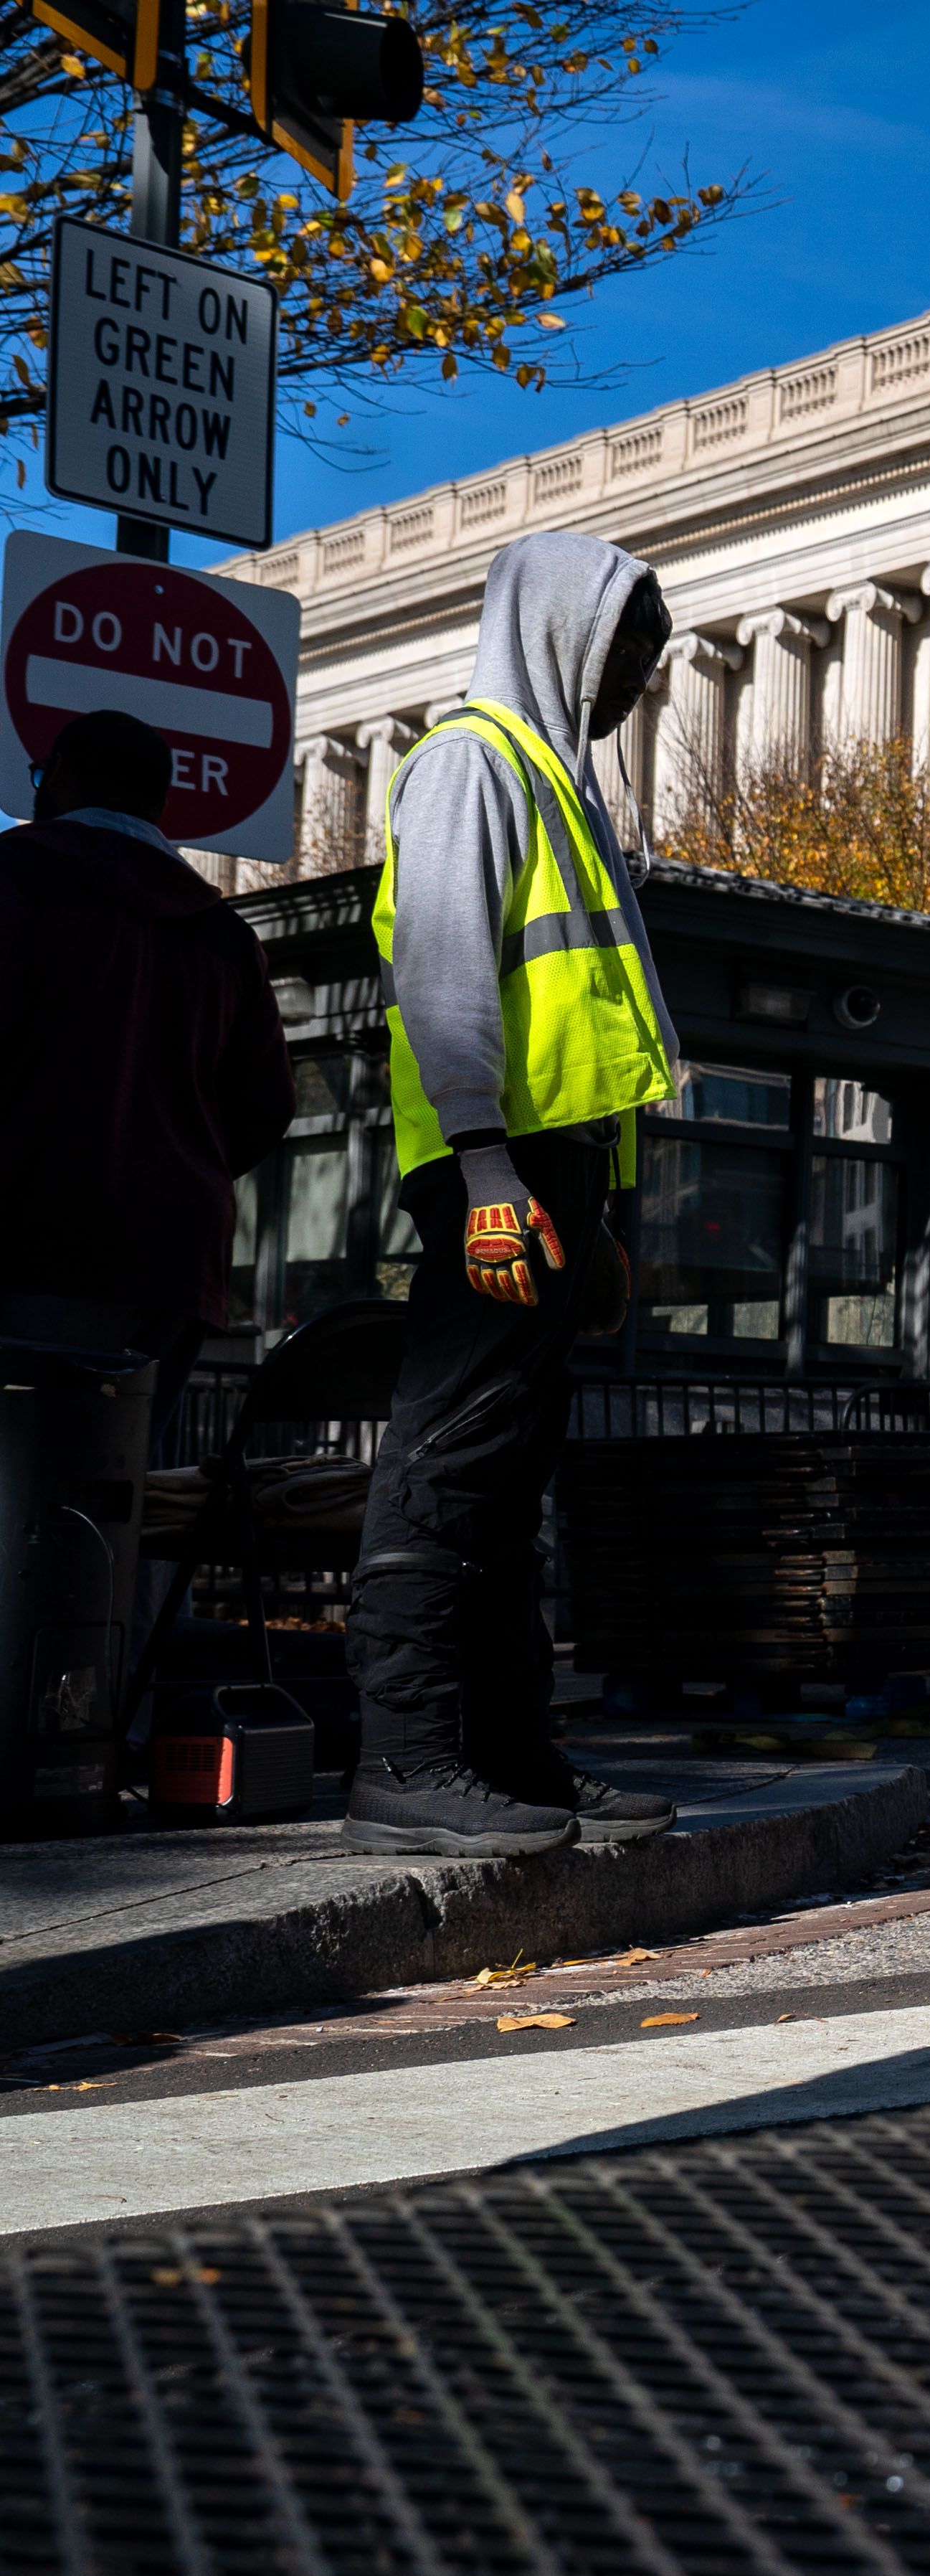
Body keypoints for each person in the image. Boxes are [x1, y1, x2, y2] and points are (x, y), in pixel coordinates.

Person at [343, 533, 680, 1859]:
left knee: (505, 1471)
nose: (630, 688)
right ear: (555, 637)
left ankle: (509, 1755)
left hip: (546, 1176)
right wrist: (489, 1174)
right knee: (448, 1458)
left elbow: (584, 1023)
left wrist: (591, 1211)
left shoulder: (560, 786)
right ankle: (408, 1759)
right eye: (620, 660)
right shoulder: (472, 762)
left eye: (644, 668)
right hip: (497, 1170)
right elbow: (438, 971)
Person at [0, 710, 295, 1364]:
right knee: (125, 1465)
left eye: (40, 776)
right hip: (177, 1264)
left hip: (31, 1243)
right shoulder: (228, 936)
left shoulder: (17, 879)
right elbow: (266, 1107)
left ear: (64, 778)